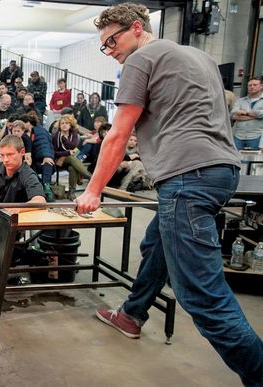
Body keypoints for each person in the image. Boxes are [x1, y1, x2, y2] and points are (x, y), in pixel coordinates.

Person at [75, 4, 262, 385]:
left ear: (137, 28)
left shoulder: (140, 60)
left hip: (186, 176)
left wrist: (92, 190)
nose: (109, 49)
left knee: (201, 296)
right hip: (221, 171)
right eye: (103, 46)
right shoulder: (200, 57)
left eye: (113, 40)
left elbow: (119, 132)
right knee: (156, 243)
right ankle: (132, 312)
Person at [0, 134, 45, 204]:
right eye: (2, 155)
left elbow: (40, 201)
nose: (5, 160)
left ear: (22, 152)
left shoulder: (28, 174)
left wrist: (17, 209)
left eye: (10, 155)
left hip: (19, 214)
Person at [52, 114, 91, 200]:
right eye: (62, 123)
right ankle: (90, 176)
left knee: (72, 168)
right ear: (59, 125)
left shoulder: (74, 134)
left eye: (67, 123)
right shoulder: (55, 136)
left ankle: (71, 193)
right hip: (60, 159)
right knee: (72, 157)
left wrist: (65, 141)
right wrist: (67, 152)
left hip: (73, 158)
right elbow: (54, 153)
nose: (64, 125)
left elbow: (73, 145)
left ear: (70, 125)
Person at [231, 77, 263, 150]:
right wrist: (256, 116)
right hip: (238, 136)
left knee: (253, 160)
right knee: (236, 160)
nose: (252, 87)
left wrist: (245, 113)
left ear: (261, 86)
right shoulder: (240, 100)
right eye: (250, 85)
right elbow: (233, 115)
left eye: (254, 85)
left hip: (256, 136)